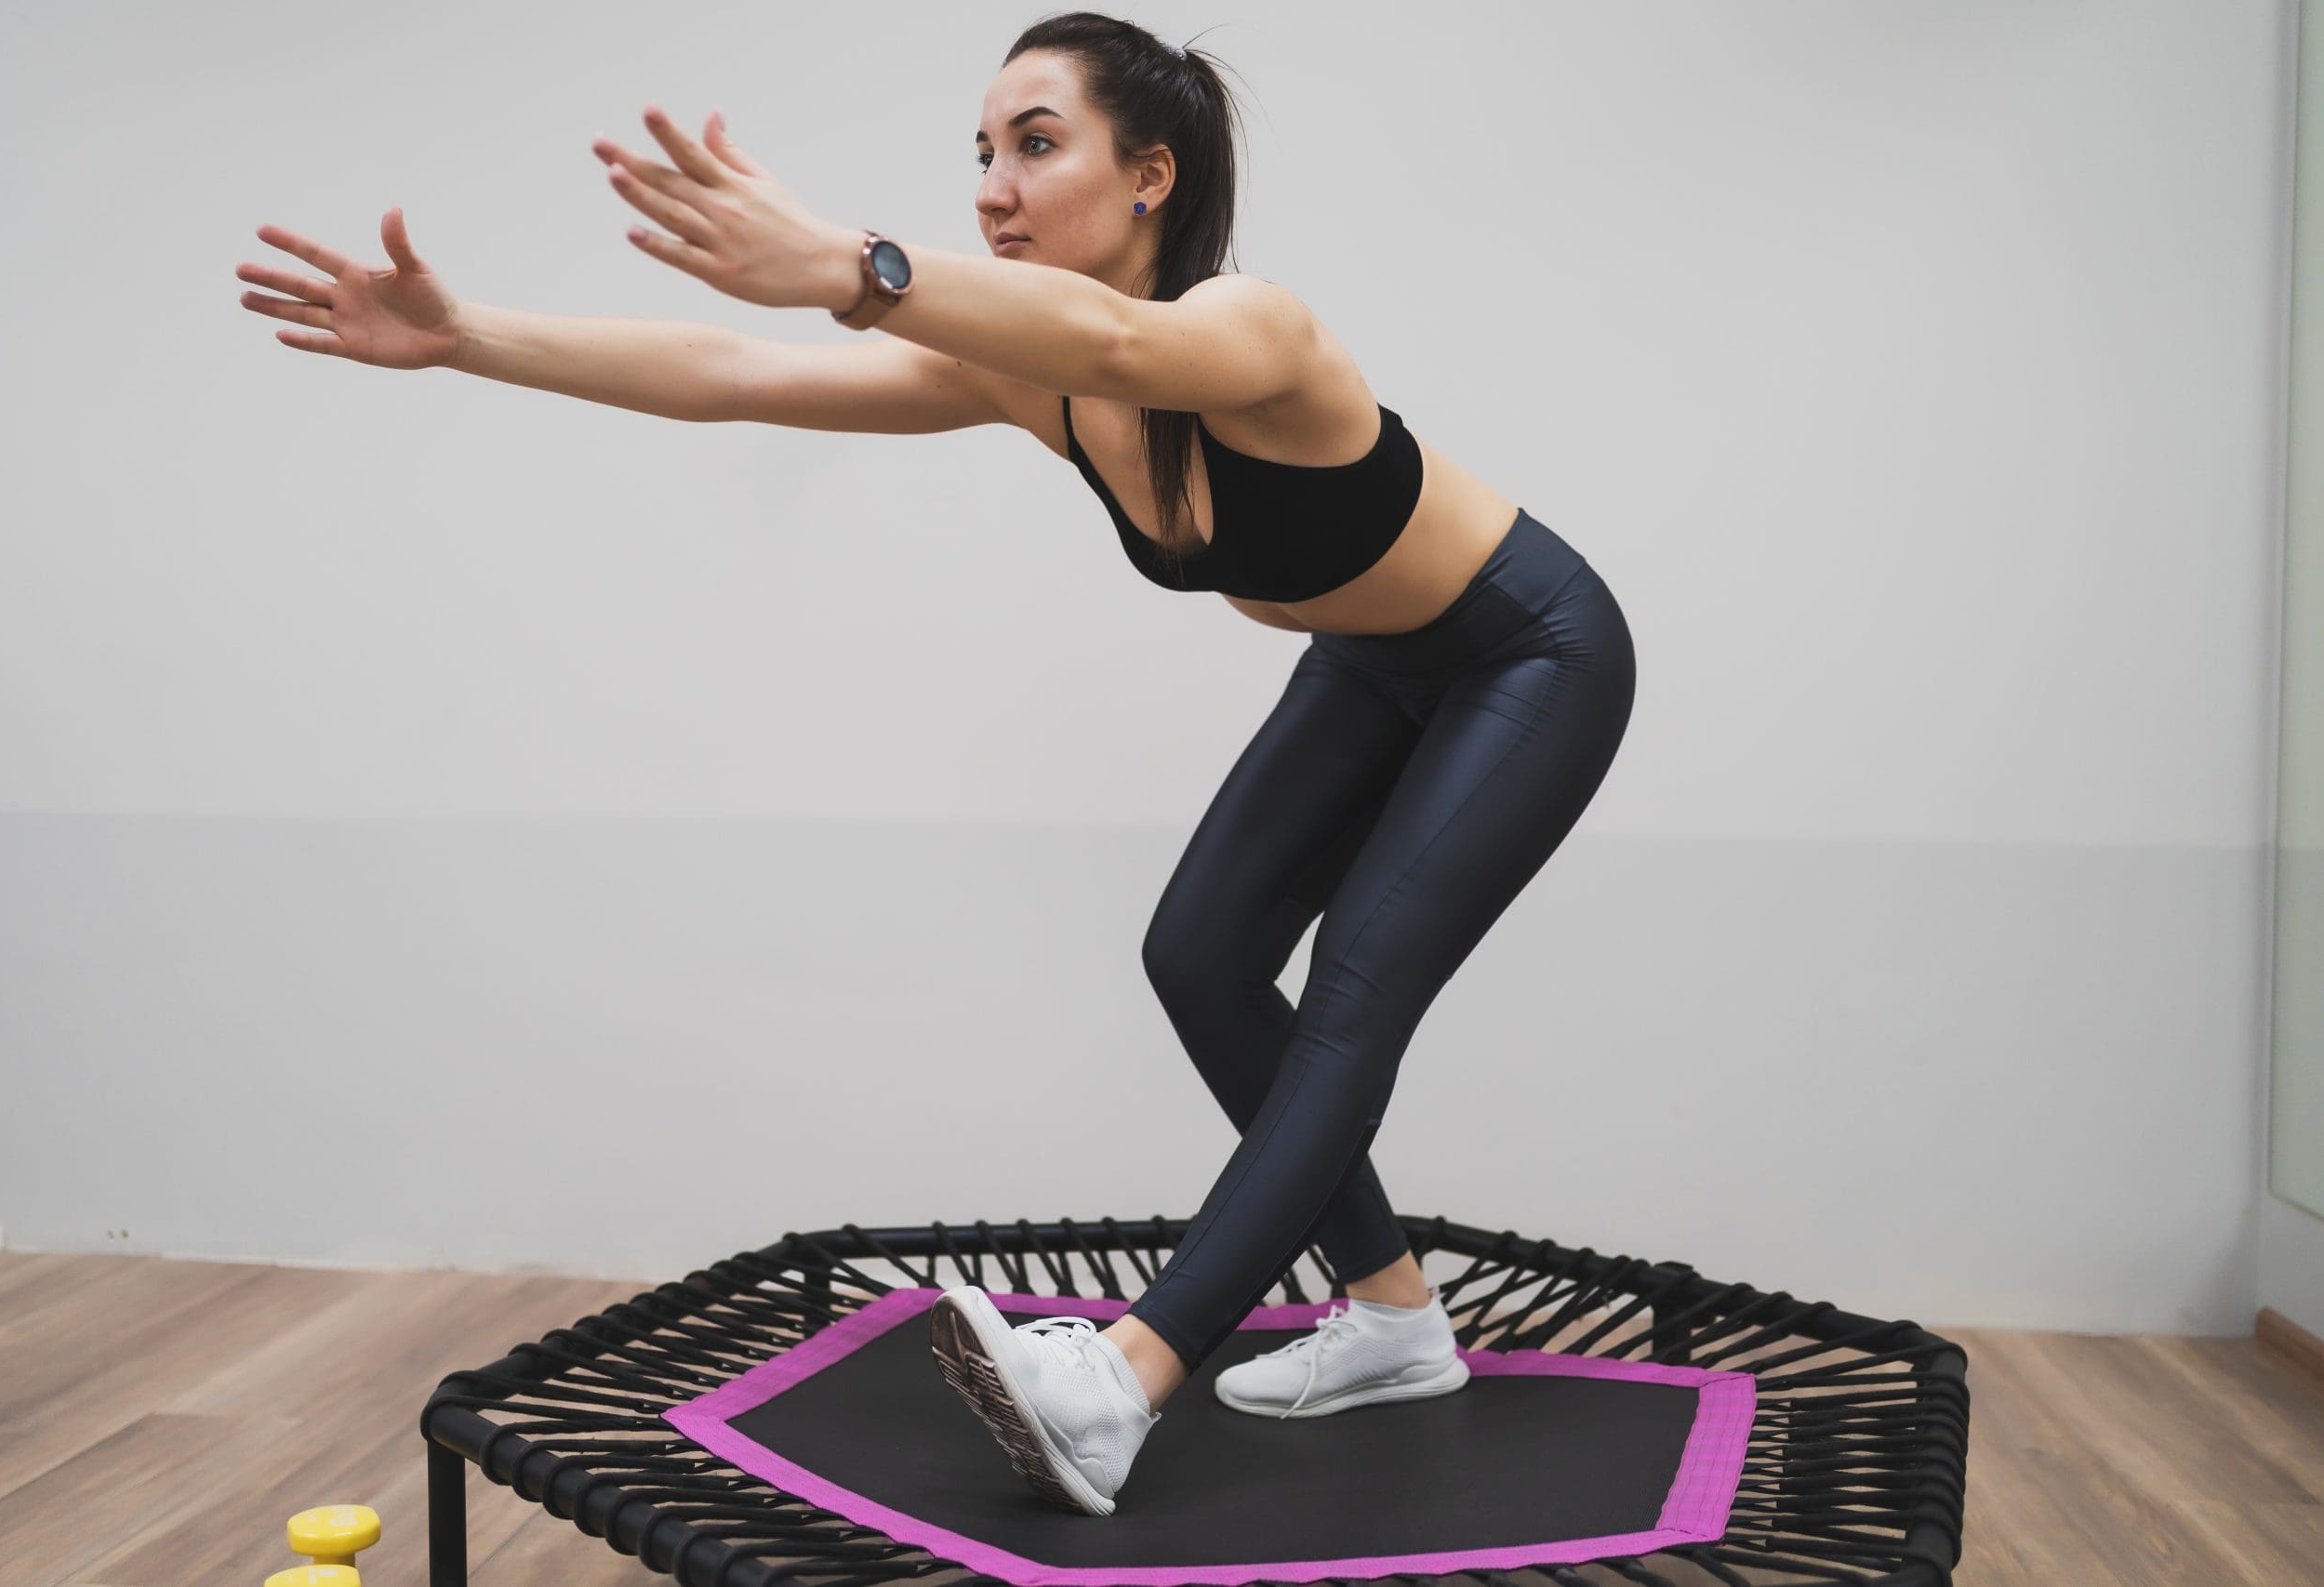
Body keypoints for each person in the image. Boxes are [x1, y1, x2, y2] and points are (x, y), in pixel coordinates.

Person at [235, 9, 1634, 1522]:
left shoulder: (1251, 330)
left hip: (1528, 655)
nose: (992, 185)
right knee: (1203, 953)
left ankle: (1121, 1381)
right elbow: (734, 370)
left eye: (1036, 145)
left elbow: (1117, 336)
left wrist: (862, 270)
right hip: (1376, 660)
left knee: (1358, 984)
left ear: (1152, 174)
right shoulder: (1034, 378)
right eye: (981, 152)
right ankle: (1395, 1322)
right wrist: (467, 342)